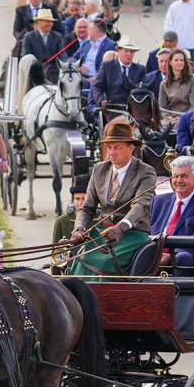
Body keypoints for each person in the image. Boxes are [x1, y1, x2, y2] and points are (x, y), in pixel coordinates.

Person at [69, 119, 157, 278]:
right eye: (109, 147)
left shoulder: (145, 172)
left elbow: (140, 206)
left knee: (105, 262)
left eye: (117, 147)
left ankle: (100, 300)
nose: (112, 152)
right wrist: (79, 228)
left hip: (132, 234)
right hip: (102, 232)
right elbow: (87, 207)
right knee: (79, 257)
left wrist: (121, 227)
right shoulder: (99, 169)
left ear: (131, 147)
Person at [150, 156, 194, 275]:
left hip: (187, 255)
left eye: (184, 176)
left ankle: (180, 293)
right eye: (175, 176)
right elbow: (147, 231)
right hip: (155, 252)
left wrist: (170, 256)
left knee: (182, 258)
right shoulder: (158, 201)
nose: (178, 180)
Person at [89, 36, 146, 123]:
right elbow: (96, 86)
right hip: (111, 112)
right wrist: (101, 101)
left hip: (134, 115)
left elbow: (143, 91)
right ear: (118, 50)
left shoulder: (140, 70)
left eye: (132, 52)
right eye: (126, 51)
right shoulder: (107, 66)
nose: (129, 54)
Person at [52, 174, 90, 274]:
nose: (80, 203)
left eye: (84, 199)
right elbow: (56, 255)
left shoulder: (100, 219)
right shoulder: (62, 221)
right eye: (77, 199)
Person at [20, 9, 66, 82]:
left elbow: (63, 55)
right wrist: (36, 68)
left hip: (55, 74)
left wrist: (65, 65)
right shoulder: (29, 37)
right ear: (39, 22)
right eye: (47, 21)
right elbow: (26, 57)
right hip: (36, 74)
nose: (50, 24)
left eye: (51, 22)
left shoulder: (57, 37)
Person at [159, 48, 194, 124]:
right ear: (170, 62)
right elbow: (163, 108)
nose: (179, 62)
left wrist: (182, 117)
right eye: (176, 60)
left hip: (188, 118)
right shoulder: (163, 84)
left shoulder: (193, 80)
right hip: (169, 120)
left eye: (182, 60)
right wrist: (168, 117)